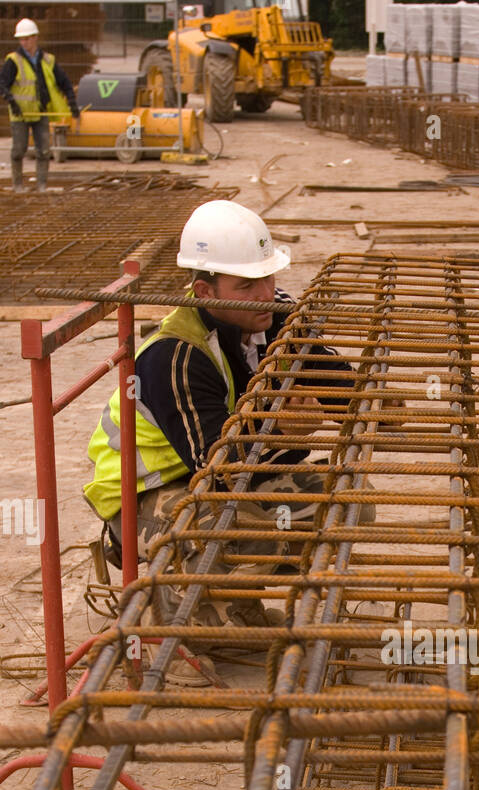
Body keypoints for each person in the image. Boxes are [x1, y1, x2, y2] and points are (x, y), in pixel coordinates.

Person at [85, 200, 361, 633]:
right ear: (205, 291)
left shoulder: (272, 314)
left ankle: (234, 606)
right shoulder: (173, 356)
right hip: (147, 493)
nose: (265, 292)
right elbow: (217, 472)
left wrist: (371, 401)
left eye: (268, 276)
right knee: (230, 525)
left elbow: (331, 376)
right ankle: (168, 635)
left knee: (346, 502)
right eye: (247, 284)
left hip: (218, 475)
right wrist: (286, 435)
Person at [0, 18, 78, 192]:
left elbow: (64, 81)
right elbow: (2, 82)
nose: (24, 42)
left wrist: (72, 101)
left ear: (35, 37)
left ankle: (41, 185)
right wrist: (11, 100)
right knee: (18, 150)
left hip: (41, 113)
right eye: (21, 39)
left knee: (43, 151)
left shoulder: (48, 60)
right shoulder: (13, 60)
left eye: (27, 38)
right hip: (20, 114)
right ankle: (18, 185)